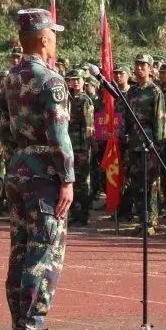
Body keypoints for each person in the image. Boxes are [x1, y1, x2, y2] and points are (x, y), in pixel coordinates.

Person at [0, 8, 74, 330]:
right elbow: (59, 135)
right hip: (44, 170)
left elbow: (5, 128)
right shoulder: (51, 80)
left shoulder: (11, 77)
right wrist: (68, 179)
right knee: (43, 251)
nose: (55, 38)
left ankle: (21, 325)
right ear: (44, 40)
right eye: (53, 34)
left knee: (20, 249)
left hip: (18, 166)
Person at [123, 54, 166, 235]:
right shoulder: (131, 92)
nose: (139, 68)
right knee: (137, 183)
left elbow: (160, 121)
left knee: (151, 184)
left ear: (150, 69)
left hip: (149, 144)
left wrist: (158, 146)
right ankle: (142, 219)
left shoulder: (155, 92)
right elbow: (126, 118)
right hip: (134, 143)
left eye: (143, 65)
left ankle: (152, 221)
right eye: (137, 65)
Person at [65, 69, 94, 226]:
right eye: (73, 79)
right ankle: (74, 214)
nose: (75, 82)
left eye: (78, 79)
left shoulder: (85, 100)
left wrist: (86, 147)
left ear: (84, 82)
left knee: (82, 182)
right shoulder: (68, 99)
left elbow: (88, 127)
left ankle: (82, 215)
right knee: (71, 179)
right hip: (69, 144)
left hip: (81, 146)